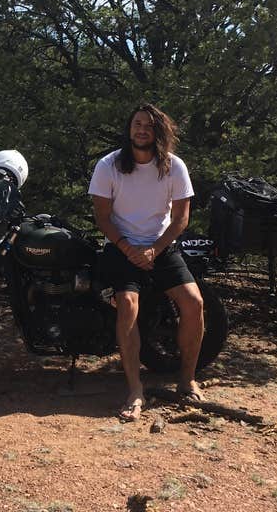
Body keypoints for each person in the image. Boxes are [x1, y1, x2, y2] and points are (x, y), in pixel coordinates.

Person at [88, 103, 203, 421]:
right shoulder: (108, 165)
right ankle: (135, 389)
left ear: (158, 132)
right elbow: (102, 215)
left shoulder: (173, 167)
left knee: (194, 303)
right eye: (137, 124)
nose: (142, 130)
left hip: (162, 246)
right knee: (127, 304)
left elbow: (181, 218)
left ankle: (187, 379)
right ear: (129, 129)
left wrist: (154, 248)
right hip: (121, 246)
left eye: (149, 126)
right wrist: (128, 248)